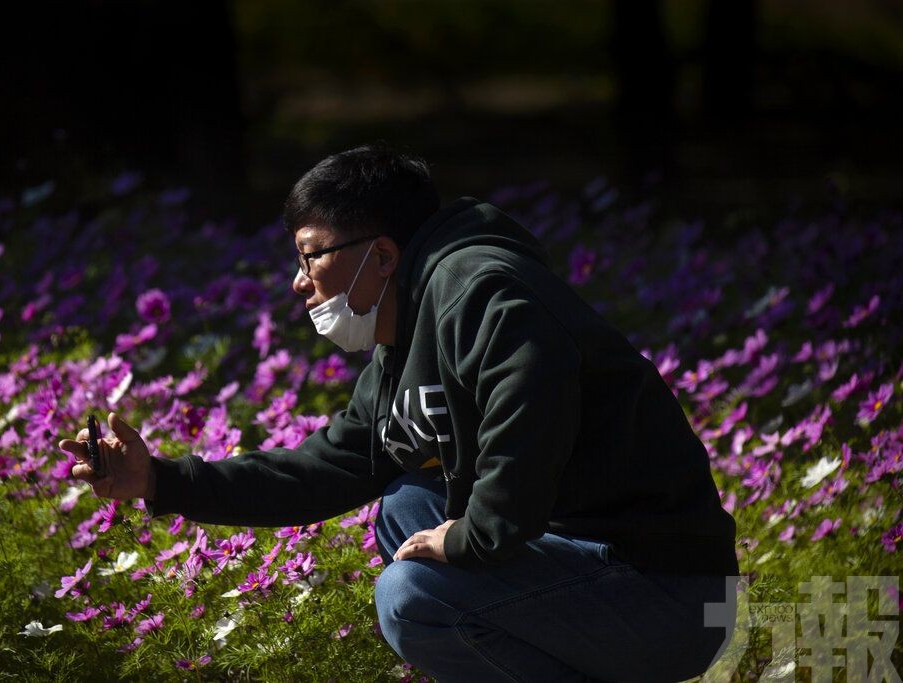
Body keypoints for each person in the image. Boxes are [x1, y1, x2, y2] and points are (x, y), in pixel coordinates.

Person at [60, 144, 739, 682]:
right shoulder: (406, 329)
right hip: (586, 568)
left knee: (411, 595)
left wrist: (470, 538)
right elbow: (323, 470)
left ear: (381, 255)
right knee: (405, 506)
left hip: (670, 593)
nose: (299, 281)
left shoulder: (485, 294)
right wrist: (160, 480)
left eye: (311, 256)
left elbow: (531, 425)